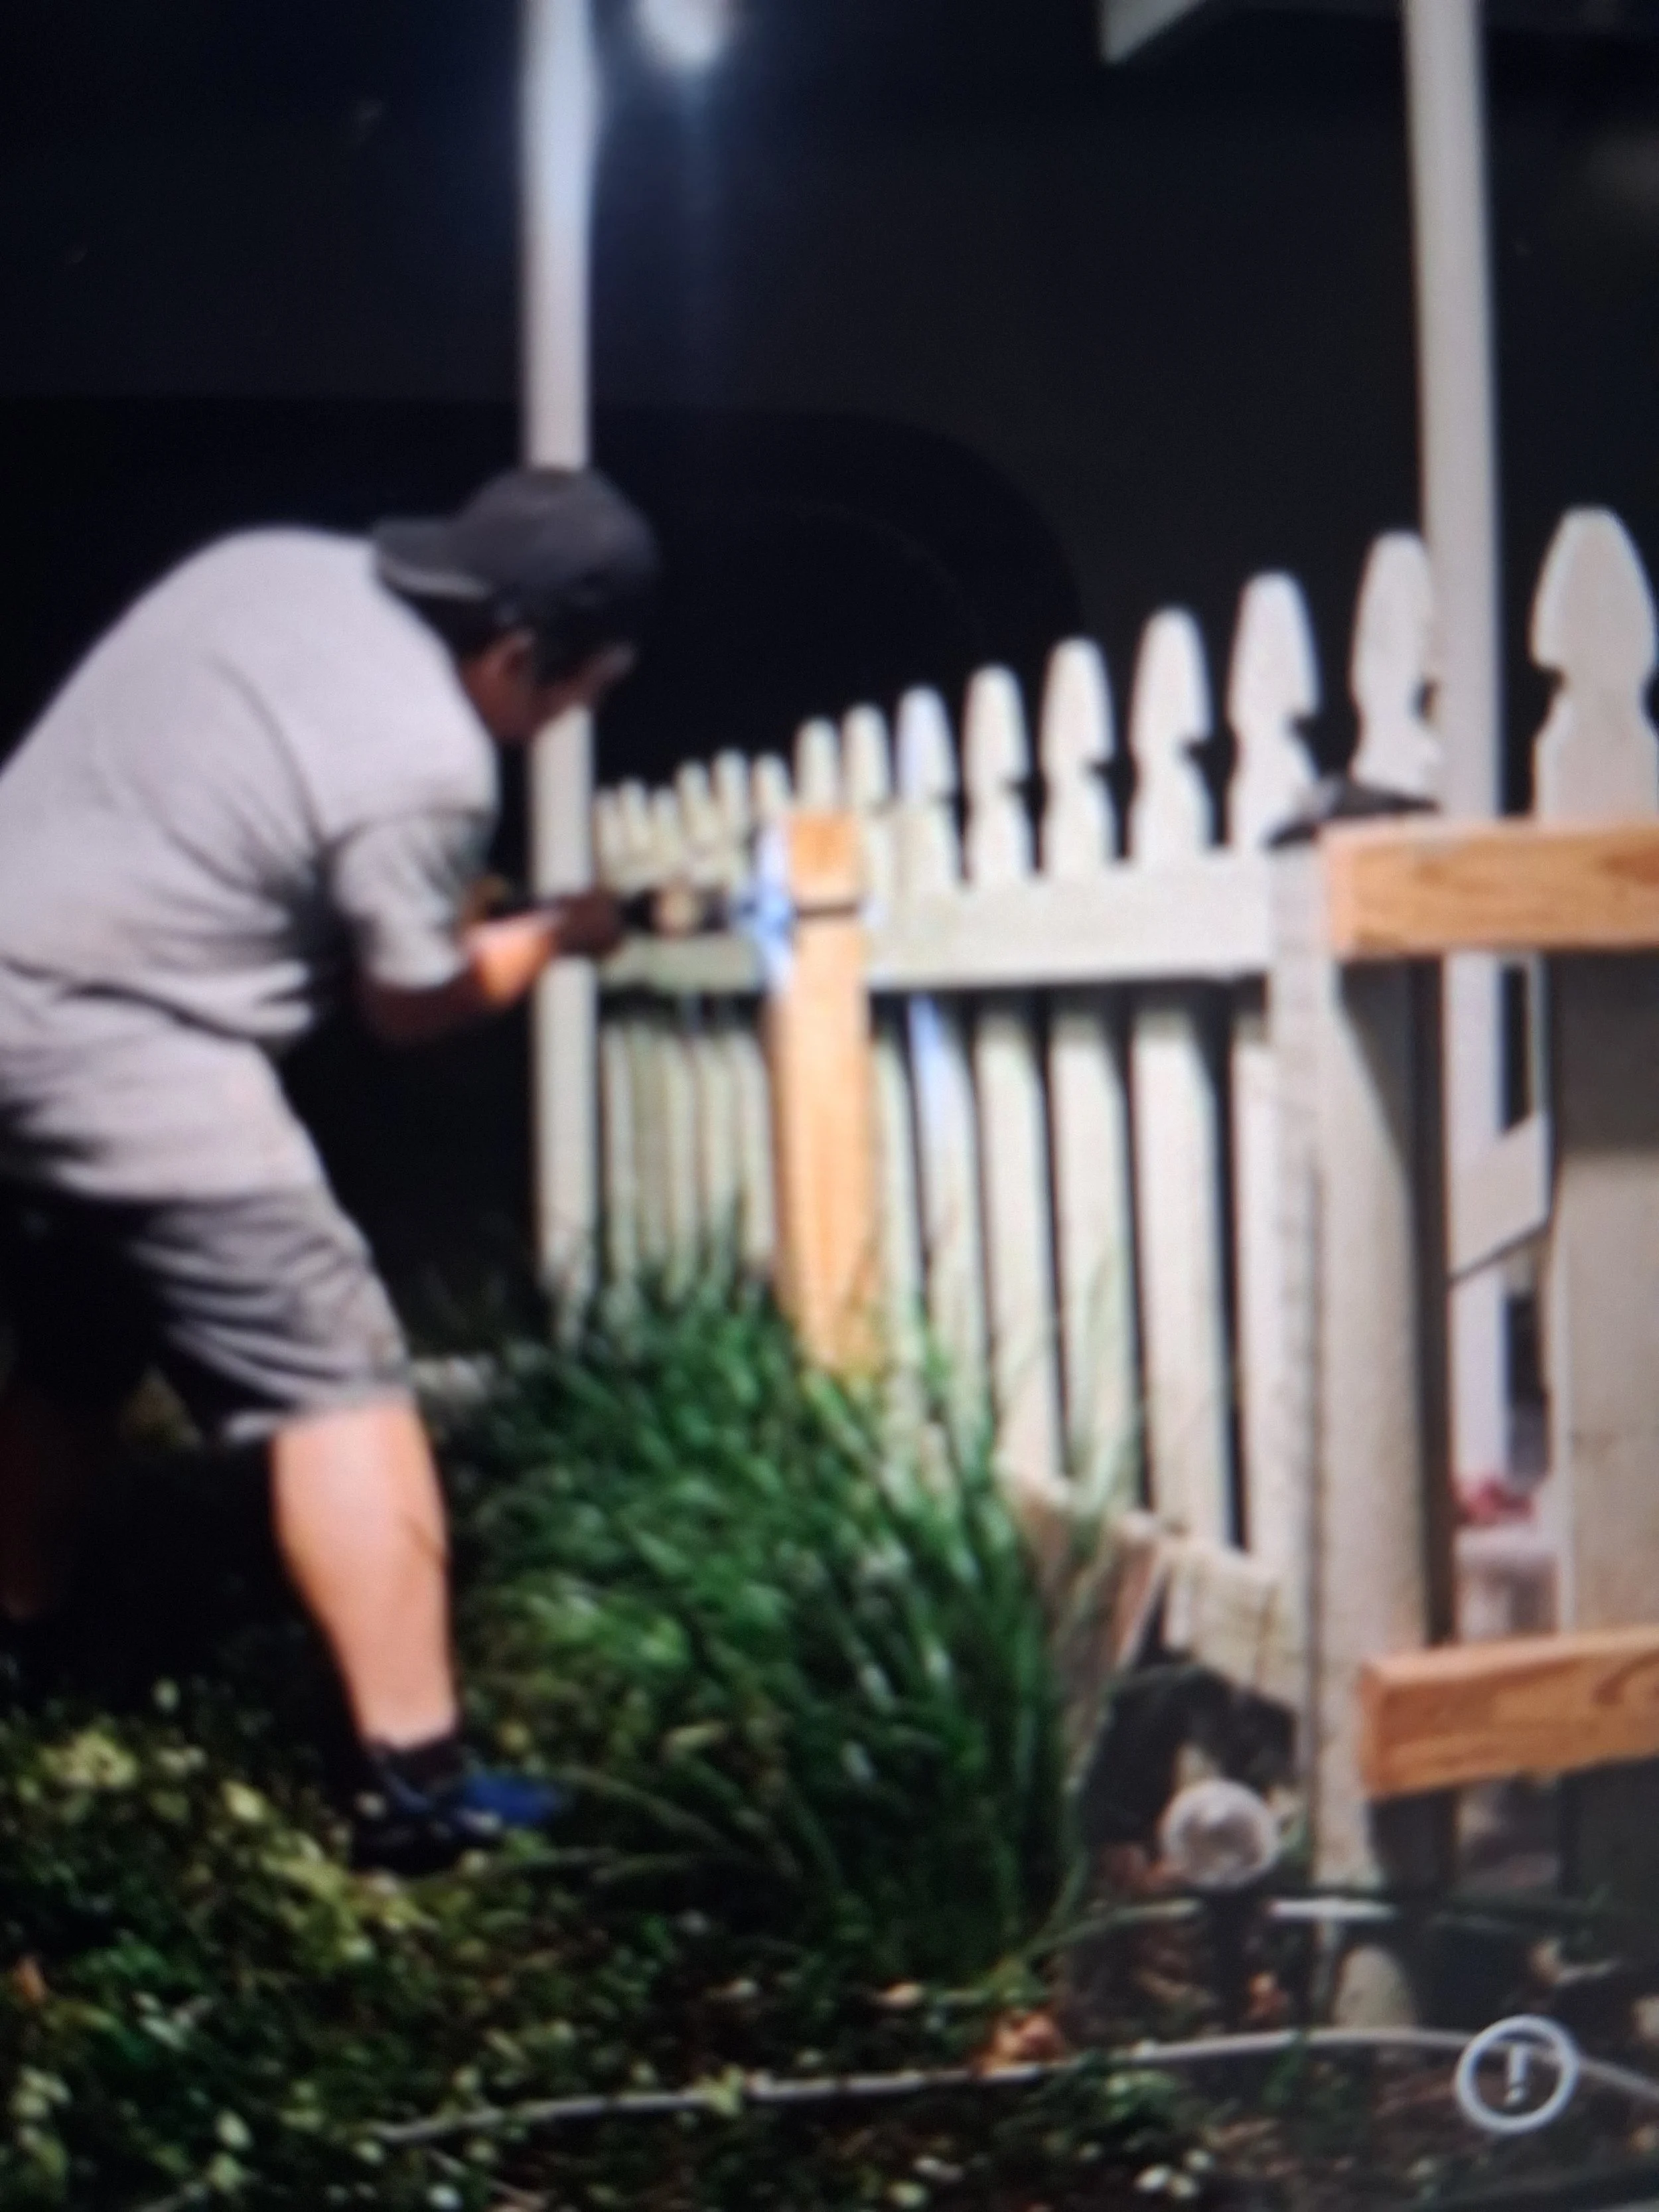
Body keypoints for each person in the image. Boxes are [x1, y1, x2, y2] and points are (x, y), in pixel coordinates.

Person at [0, 466, 658, 1872]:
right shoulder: (430, 759)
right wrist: (557, 935)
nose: (564, 724)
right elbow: (408, 1005)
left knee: (86, 1324)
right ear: (515, 653)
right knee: (334, 1365)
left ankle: (21, 1640)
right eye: (575, 694)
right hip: (114, 1029)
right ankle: (417, 1792)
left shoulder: (277, 565)